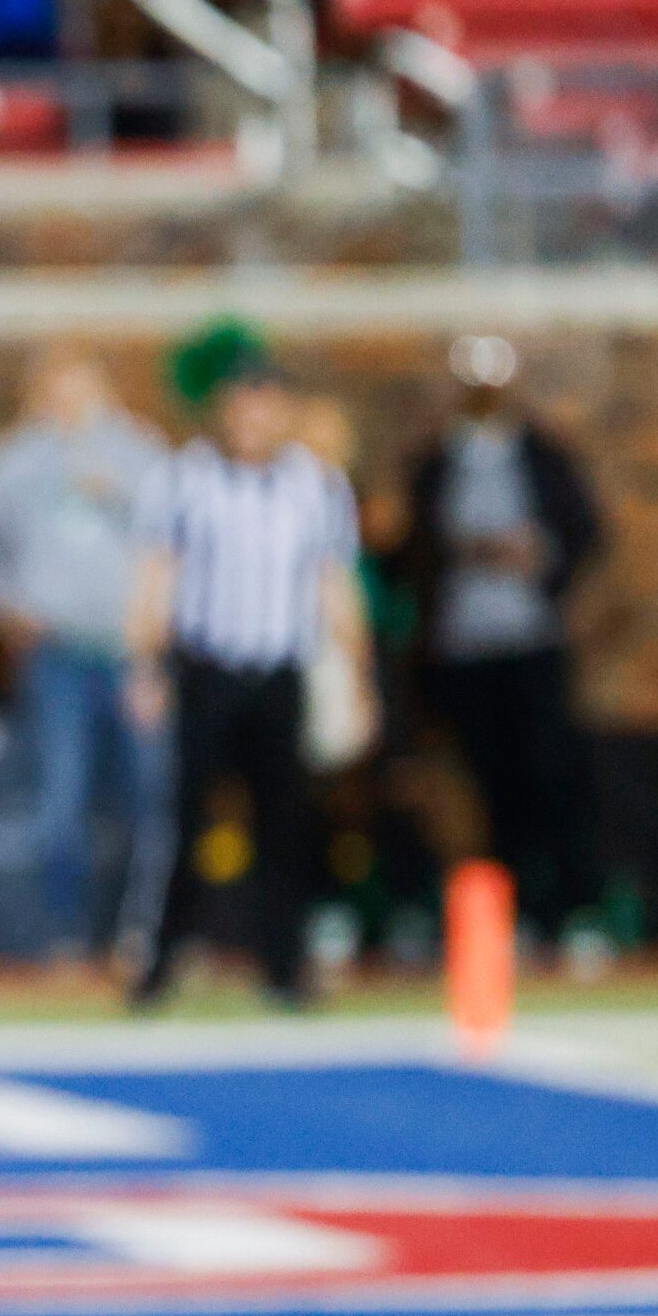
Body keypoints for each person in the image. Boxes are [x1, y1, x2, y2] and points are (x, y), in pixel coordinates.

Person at [123, 340, 373, 1008]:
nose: (255, 420)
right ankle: (161, 962)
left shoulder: (316, 487)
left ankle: (284, 967)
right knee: (186, 820)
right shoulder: (184, 479)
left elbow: (334, 585)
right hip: (207, 668)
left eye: (267, 406)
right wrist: (144, 665)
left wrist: (359, 672)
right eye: (244, 406)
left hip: (278, 671)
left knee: (284, 826)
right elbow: (157, 578)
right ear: (225, 412)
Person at [0, 347, 168, 957]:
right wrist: (4, 609)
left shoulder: (140, 454)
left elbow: (181, 539)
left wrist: (119, 493)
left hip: (133, 654)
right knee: (60, 796)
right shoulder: (12, 462)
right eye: (56, 391)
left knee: (149, 793)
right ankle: (64, 933)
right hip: (58, 655)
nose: (68, 405)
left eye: (80, 389)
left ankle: (146, 930)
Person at [399, 335, 608, 954]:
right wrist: (461, 553)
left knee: (549, 776)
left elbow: (584, 530)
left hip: (531, 642)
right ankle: (507, 915)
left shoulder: (541, 453)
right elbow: (415, 548)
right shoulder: (438, 461)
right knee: (485, 788)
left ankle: (572, 911)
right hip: (465, 649)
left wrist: (539, 555)